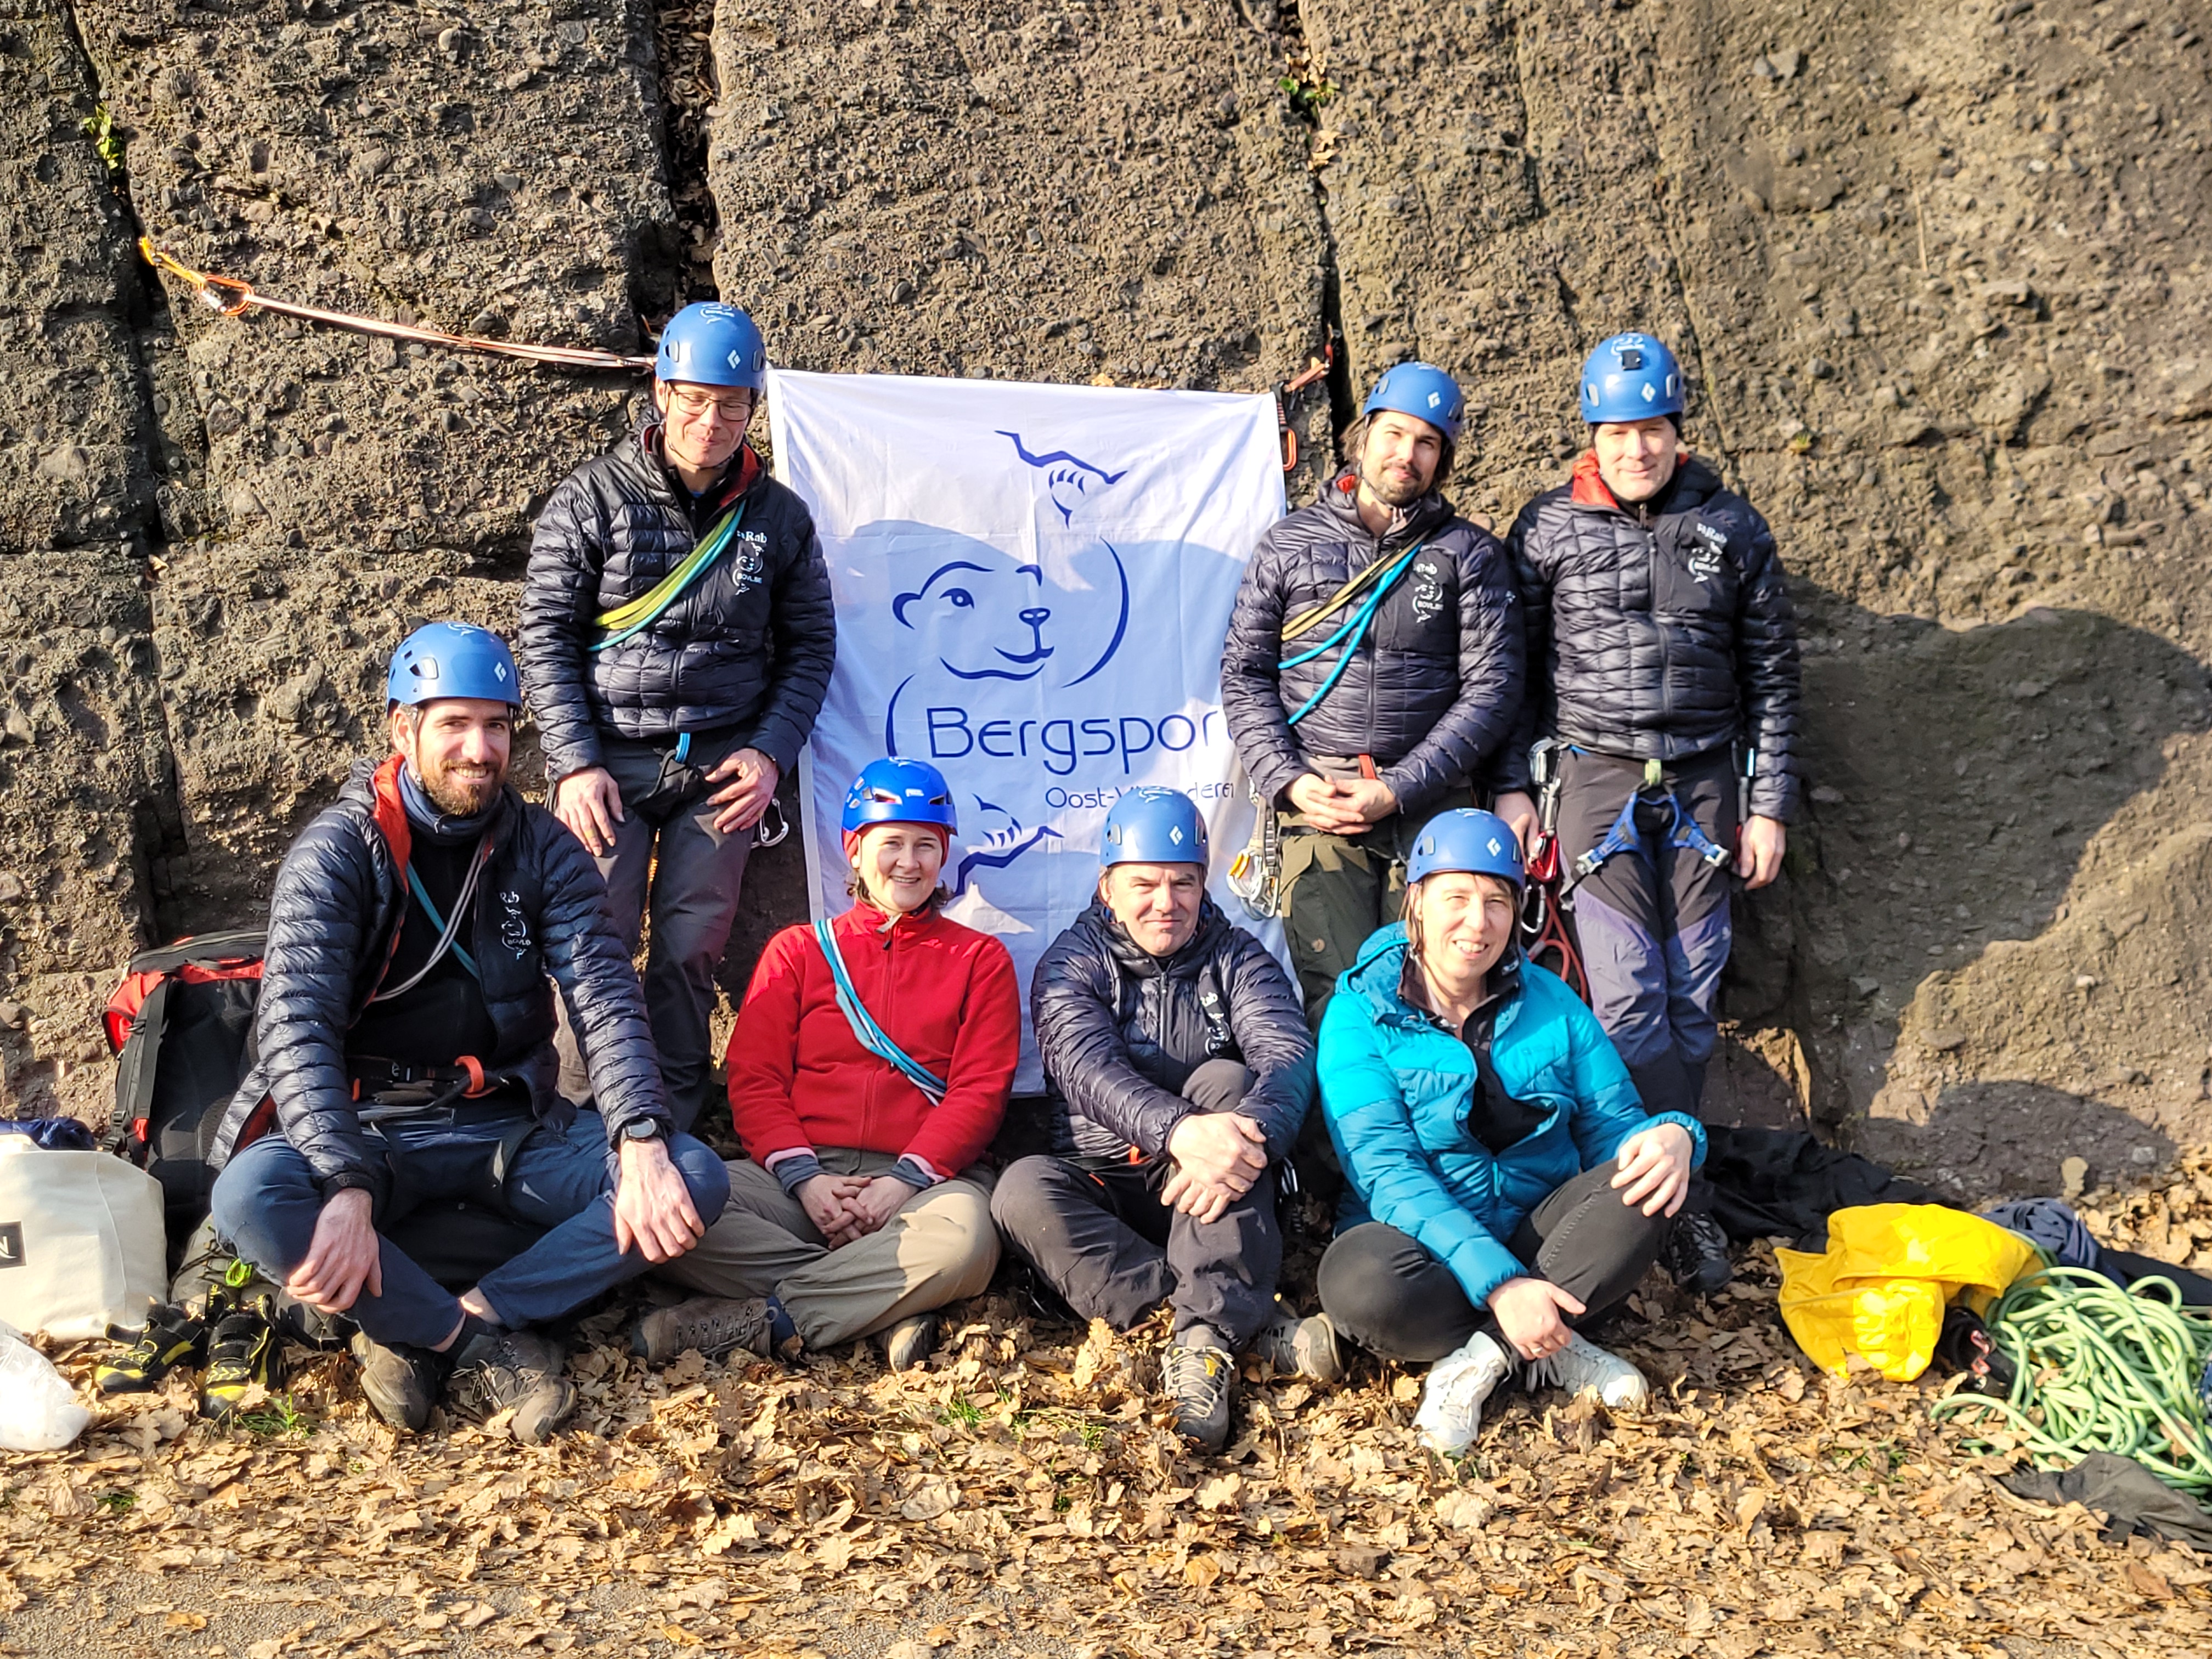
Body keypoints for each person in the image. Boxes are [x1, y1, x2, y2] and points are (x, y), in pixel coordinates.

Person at [206, 625, 731, 1441]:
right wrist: (342, 1181)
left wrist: (637, 1137)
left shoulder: (543, 847)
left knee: (692, 1176)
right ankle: (469, 1343)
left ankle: (450, 1314)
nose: (478, 749)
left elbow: (603, 992)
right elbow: (295, 1027)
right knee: (249, 1194)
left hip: (505, 1126)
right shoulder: (339, 850)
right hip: (369, 1126)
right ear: (402, 727)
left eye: (496, 725)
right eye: (453, 724)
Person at [1491, 332, 1802, 1294]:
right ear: (1593, 433)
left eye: (1653, 429)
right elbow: (1516, 673)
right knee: (1624, 1000)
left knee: (1691, 999)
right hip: (1592, 777)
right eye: (1618, 432)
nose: (1636, 449)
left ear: (1677, 431)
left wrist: (1770, 804)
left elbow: (1773, 677)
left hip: (1707, 781)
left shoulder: (1733, 529)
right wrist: (1512, 783)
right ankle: (1640, 1197)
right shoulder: (1544, 529)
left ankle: (1686, 1197)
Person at [520, 301, 837, 1131]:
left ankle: (678, 1126)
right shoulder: (591, 498)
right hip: (608, 759)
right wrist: (573, 762)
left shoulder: (780, 518)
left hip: (722, 767)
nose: (712, 420)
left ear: (753, 406)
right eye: (694, 399)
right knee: (594, 942)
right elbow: (544, 634)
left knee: (693, 951)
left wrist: (770, 754)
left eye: (731, 404)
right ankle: (578, 1123)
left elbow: (809, 649)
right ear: (661, 392)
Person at [1313, 809, 1706, 1456]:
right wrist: (1502, 1284)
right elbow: (1386, 1172)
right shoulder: (1360, 1013)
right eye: (1456, 899)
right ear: (1415, 904)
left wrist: (1678, 1136)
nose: (1478, 922)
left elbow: (1618, 1129)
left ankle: (1486, 1358)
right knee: (1357, 1281)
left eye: (1497, 901)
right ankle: (1545, 1338)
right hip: (1427, 1253)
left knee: (1646, 1182)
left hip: (1544, 1239)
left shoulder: (1553, 1001)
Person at [634, 758, 1019, 1371]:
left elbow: (979, 1092)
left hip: (922, 1186)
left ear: (944, 855)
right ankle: (884, 1302)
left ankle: (770, 1320)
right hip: (802, 1183)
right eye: (891, 843)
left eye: (927, 845)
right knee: (675, 1207)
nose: (909, 862)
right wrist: (807, 1181)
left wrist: (903, 1183)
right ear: (855, 851)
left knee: (969, 1242)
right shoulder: (800, 951)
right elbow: (756, 1080)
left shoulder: (980, 959)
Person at [992, 787, 1334, 1452]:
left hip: (1219, 1192)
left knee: (1231, 1083)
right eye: (1144, 883)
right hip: (1109, 1184)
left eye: (1183, 883)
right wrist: (1181, 1134)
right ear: (1107, 886)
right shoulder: (1072, 963)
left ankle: (1204, 1345)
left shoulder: (1238, 958)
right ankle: (1235, 1325)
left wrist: (1244, 1135)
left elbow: (1288, 1056)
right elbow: (1084, 1070)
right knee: (1020, 1190)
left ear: (1205, 885)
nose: (1165, 901)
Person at [1220, 361, 1523, 1032]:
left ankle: (1438, 1136)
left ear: (1443, 459)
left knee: (1439, 984)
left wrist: (1401, 787)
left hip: (1430, 806)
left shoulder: (1467, 554)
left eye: (1426, 442)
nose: (1405, 455)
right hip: (1318, 803)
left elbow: (1493, 688)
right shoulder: (1289, 545)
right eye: (1394, 434)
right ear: (1363, 436)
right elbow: (1244, 674)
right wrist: (1290, 782)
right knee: (1337, 996)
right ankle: (1346, 1142)